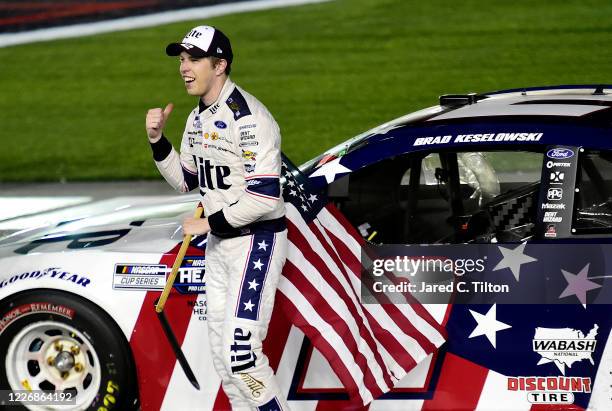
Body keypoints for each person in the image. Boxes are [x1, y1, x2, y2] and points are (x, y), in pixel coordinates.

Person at [145, 25, 288, 410]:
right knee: (226, 364)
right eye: (181, 60)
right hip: (222, 245)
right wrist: (159, 142)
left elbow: (264, 196)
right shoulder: (197, 119)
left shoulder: (250, 120)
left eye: (193, 60)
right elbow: (186, 181)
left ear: (220, 64)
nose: (183, 68)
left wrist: (207, 223)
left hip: (255, 242)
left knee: (242, 358)